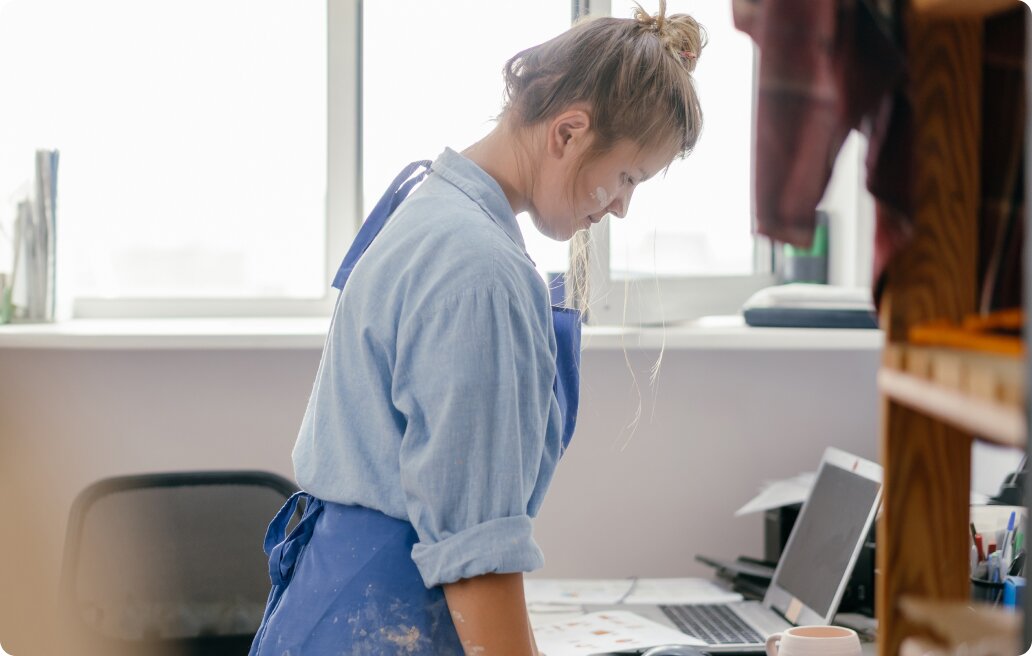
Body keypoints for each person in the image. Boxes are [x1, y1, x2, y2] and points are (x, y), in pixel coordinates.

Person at [248, 3, 705, 654]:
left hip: (332, 606)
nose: (623, 207)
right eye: (628, 176)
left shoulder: (429, 206)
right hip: (381, 623)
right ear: (570, 132)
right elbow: (477, 553)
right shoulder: (481, 271)